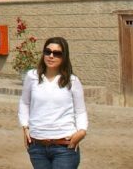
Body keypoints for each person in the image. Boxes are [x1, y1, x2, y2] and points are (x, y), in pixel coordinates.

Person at [18, 37, 88, 169]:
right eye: (48, 51)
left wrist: (82, 132)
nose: (51, 56)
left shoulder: (72, 81)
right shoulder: (32, 76)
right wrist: (25, 126)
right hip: (37, 147)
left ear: (64, 57)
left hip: (65, 147)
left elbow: (80, 111)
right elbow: (24, 103)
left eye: (57, 53)